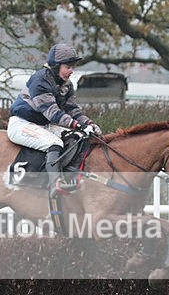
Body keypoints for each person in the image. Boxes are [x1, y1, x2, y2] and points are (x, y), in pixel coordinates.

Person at [7, 43, 102, 199]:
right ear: (55, 66)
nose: (71, 71)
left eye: (73, 66)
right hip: (22, 124)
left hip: (43, 125)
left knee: (77, 137)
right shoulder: (40, 80)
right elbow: (53, 113)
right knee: (54, 143)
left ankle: (70, 177)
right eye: (68, 66)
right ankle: (54, 184)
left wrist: (89, 124)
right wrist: (77, 125)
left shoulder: (66, 85)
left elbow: (73, 110)